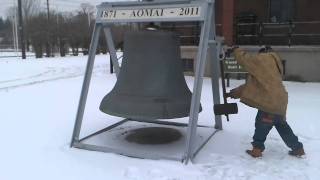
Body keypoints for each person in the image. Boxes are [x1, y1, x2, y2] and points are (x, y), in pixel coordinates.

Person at [228, 46, 305, 158]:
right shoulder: (273, 66)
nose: (257, 57)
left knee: (262, 124)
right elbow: (253, 86)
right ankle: (298, 148)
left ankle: (257, 150)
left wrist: (236, 50)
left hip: (270, 103)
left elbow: (246, 60)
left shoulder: (264, 59)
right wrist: (234, 93)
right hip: (280, 102)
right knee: (282, 127)